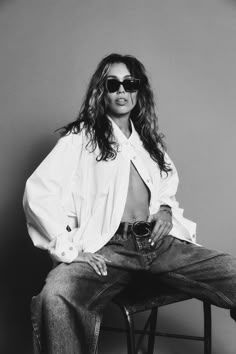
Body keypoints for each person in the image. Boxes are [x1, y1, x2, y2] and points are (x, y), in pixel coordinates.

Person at [23, 53, 236, 354]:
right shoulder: (81, 138)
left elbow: (166, 188)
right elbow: (39, 191)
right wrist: (69, 249)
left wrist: (164, 210)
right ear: (102, 91)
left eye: (129, 83)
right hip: (108, 250)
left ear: (139, 90)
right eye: (113, 84)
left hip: (159, 245)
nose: (121, 90)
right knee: (55, 295)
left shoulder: (149, 143)